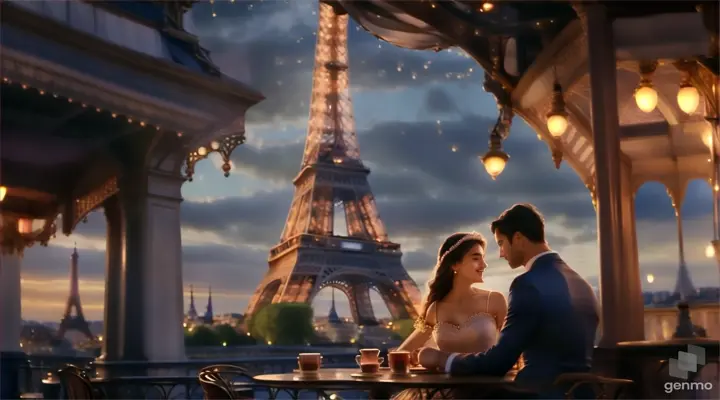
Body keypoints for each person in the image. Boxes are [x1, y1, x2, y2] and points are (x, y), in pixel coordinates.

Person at [417, 204, 600, 399]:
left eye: (502, 243)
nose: (501, 253)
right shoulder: (583, 285)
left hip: (538, 394)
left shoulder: (527, 285)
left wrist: (443, 358)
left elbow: (498, 362)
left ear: (519, 238)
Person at [391, 232, 508, 400]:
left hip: (489, 393)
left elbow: (512, 351)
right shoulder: (435, 309)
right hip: (447, 394)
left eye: (483, 258)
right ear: (455, 264)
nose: (484, 264)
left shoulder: (495, 300)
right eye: (476, 258)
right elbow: (403, 352)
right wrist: (422, 357)